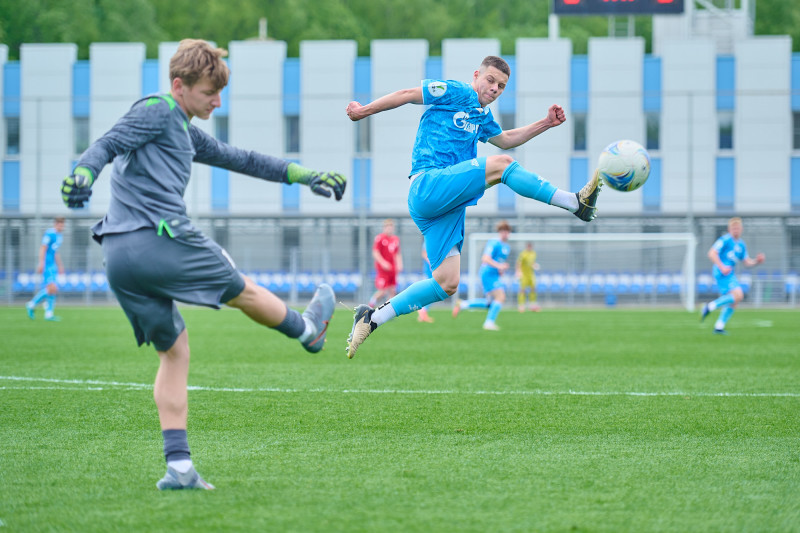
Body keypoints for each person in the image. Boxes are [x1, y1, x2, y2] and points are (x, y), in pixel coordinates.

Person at [59, 39, 347, 490]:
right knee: (242, 290)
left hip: (118, 256)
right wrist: (83, 171)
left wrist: (303, 174)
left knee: (174, 353)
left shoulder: (184, 129)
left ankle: (179, 468)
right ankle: (309, 331)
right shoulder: (157, 108)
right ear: (180, 85)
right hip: (161, 238)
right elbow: (108, 143)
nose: (217, 100)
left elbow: (242, 159)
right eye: (210, 92)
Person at [344, 55, 601, 358]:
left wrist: (546, 123)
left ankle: (372, 318)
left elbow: (505, 139)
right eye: (491, 80)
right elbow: (408, 95)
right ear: (477, 75)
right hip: (428, 184)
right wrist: (364, 111)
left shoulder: (482, 115)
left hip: (445, 208)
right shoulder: (457, 91)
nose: (494, 89)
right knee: (503, 166)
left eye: (502, 86)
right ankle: (574, 203)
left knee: (447, 283)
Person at [700, 217, 765, 334]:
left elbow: (746, 262)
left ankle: (719, 327)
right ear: (729, 229)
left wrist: (756, 261)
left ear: (741, 229)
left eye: (738, 228)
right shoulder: (724, 240)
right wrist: (722, 266)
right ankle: (710, 306)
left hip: (730, 273)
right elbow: (711, 253)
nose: (736, 230)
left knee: (734, 301)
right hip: (722, 272)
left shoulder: (741, 244)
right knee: (738, 295)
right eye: (733, 228)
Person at [452, 220, 512, 330]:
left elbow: (498, 261)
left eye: (507, 231)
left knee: (490, 303)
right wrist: (499, 266)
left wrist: (501, 269)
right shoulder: (494, 243)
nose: (505, 233)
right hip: (487, 273)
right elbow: (485, 258)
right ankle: (489, 323)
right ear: (499, 232)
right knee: (500, 296)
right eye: (503, 231)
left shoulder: (507, 247)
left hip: (495, 275)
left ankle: (464, 305)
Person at [25, 217, 66, 321]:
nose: (61, 226)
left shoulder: (59, 236)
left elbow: (55, 252)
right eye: (60, 224)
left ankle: (49, 314)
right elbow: (43, 248)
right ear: (55, 224)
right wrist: (41, 262)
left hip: (53, 265)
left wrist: (60, 265)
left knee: (53, 289)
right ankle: (32, 304)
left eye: (63, 224)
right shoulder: (49, 234)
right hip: (47, 264)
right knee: (51, 288)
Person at [369, 219, 402, 308]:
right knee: (382, 291)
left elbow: (397, 253)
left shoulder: (395, 239)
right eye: (387, 227)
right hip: (383, 270)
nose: (389, 229)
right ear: (384, 228)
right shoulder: (380, 238)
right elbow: (375, 252)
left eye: (391, 227)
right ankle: (371, 304)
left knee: (392, 290)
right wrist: (383, 262)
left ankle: (388, 310)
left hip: (392, 269)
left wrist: (399, 263)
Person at [516, 242, 541, 312]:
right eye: (528, 247)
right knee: (522, 290)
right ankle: (521, 305)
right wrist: (518, 272)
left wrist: (535, 265)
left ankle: (532, 305)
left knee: (533, 288)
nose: (529, 248)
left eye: (530, 247)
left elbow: (532, 262)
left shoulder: (533, 253)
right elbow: (519, 263)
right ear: (526, 247)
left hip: (531, 274)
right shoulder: (523, 254)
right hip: (524, 274)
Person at [417, 241, 435, 323]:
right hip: (430, 271)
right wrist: (431, 263)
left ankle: (423, 313)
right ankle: (422, 310)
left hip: (432, 270)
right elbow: (424, 253)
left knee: (432, 292)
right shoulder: (428, 240)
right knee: (432, 292)